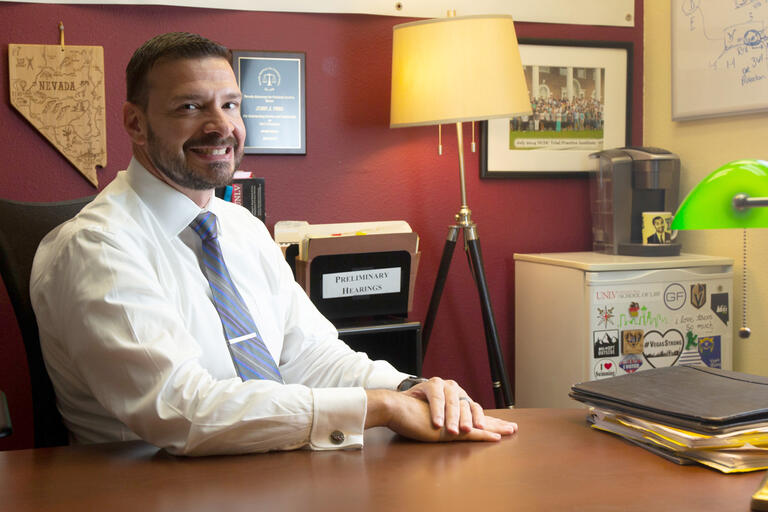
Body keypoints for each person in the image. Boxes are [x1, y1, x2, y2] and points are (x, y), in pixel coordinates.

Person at [29, 32, 517, 456]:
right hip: (145, 485)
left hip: (264, 469)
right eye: (190, 107)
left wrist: (412, 389)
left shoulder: (237, 225)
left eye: (231, 104)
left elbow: (312, 356)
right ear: (135, 123)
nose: (222, 126)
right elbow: (182, 412)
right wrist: (379, 408)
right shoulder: (96, 249)